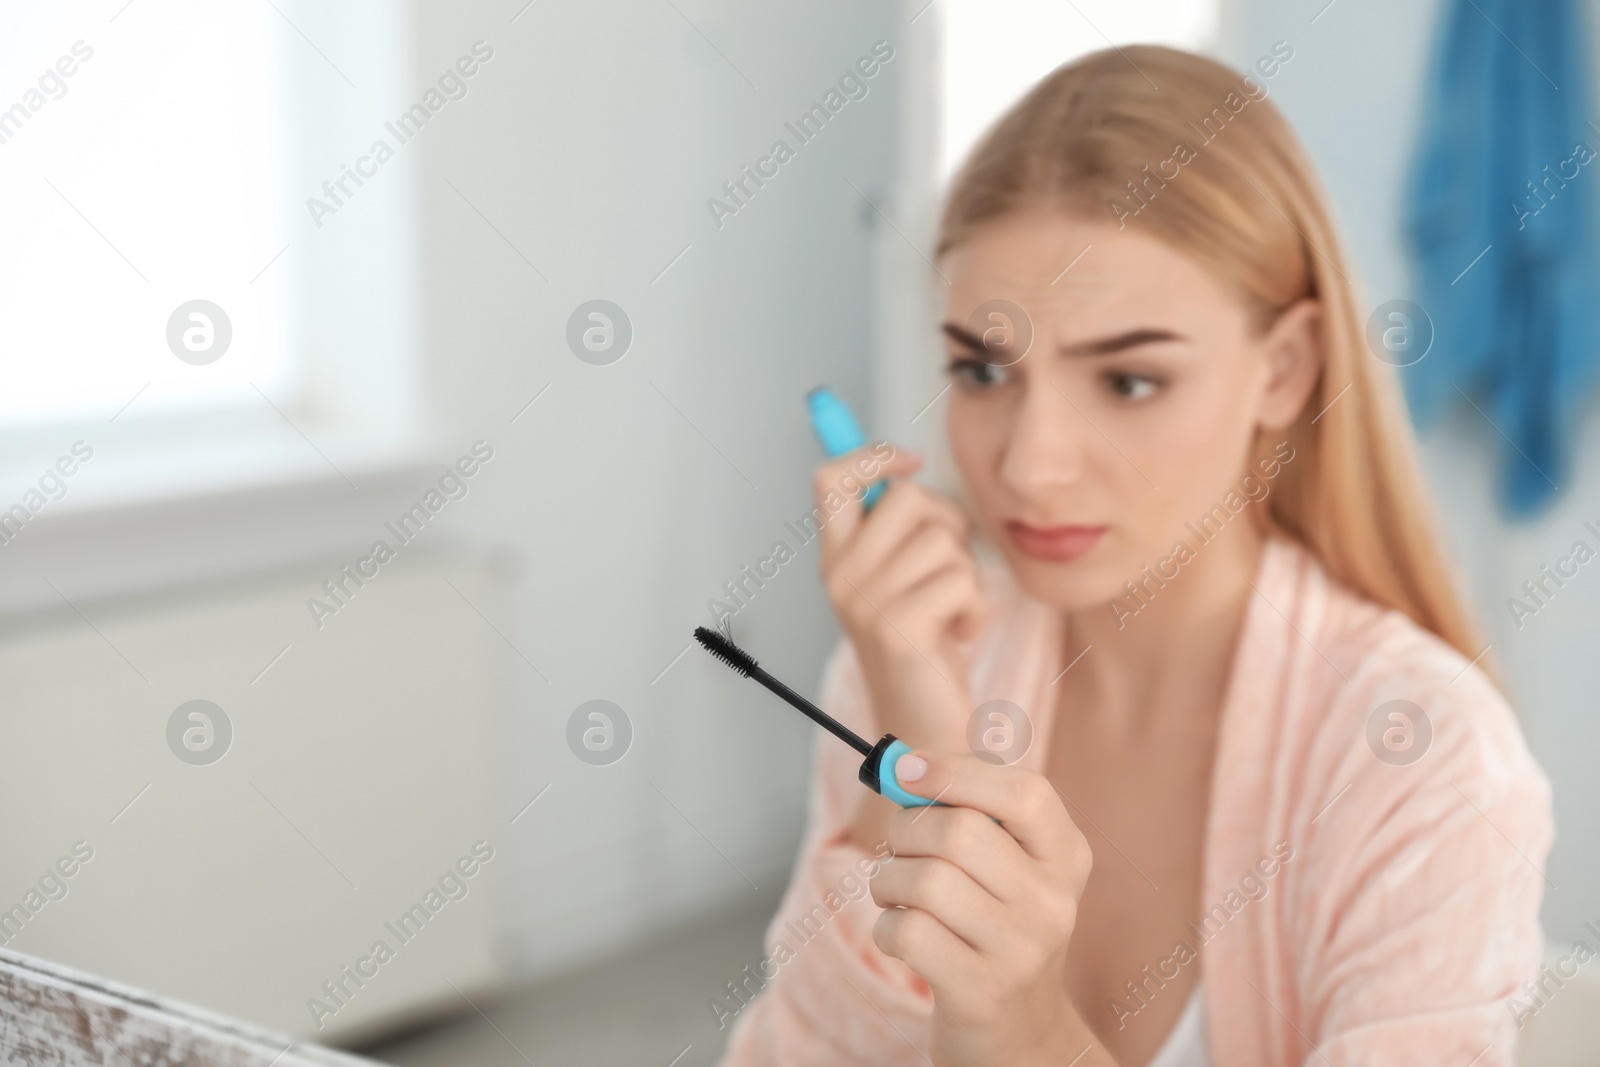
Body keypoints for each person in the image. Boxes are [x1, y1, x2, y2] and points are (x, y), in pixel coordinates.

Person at [714, 44, 1552, 1067]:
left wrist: (1024, 1026)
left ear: (1283, 371)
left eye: (1128, 382)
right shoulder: (901, 665)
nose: (1029, 465)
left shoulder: (1420, 756)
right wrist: (912, 740)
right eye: (982, 370)